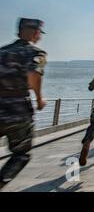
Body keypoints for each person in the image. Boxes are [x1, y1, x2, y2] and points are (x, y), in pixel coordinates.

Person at [0, 18, 47, 190]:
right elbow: (34, 75)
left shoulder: (2, 52)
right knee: (21, 154)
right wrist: (40, 99)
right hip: (17, 109)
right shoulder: (36, 53)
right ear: (36, 33)